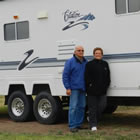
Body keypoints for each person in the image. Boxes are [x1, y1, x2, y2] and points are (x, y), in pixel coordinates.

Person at [85, 47, 110, 131]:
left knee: (102, 106)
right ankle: (93, 125)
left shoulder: (105, 64)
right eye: (96, 53)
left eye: (99, 53)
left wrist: (106, 85)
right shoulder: (89, 64)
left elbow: (108, 77)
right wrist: (90, 86)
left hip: (102, 91)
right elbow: (86, 77)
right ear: (94, 54)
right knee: (92, 108)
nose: (98, 54)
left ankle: (91, 118)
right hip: (92, 91)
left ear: (102, 55)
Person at [62, 45, 87, 133]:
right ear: (75, 52)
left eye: (82, 50)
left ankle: (78, 124)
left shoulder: (85, 61)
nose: (81, 52)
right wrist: (67, 87)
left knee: (82, 106)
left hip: (83, 88)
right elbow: (65, 75)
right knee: (73, 107)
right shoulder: (70, 62)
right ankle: (72, 125)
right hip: (74, 89)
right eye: (79, 50)